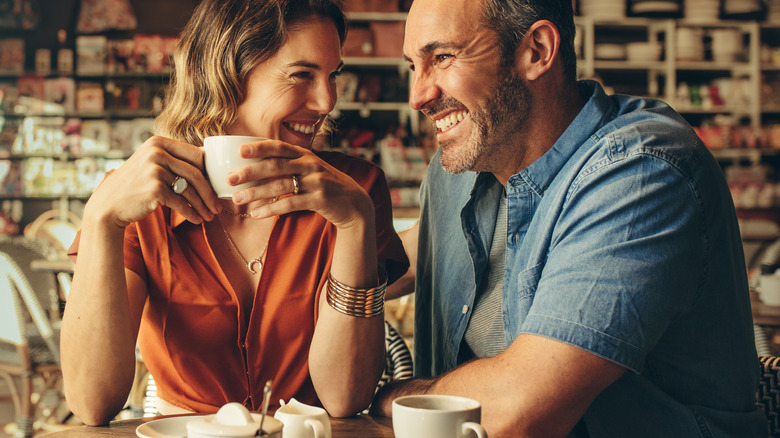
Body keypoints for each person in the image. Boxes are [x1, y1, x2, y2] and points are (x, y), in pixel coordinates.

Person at [371, 0, 767, 436]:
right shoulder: (461, 173)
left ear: (537, 50)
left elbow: (520, 410)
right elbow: (412, 254)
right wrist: (335, 231)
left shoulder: (639, 172)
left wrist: (395, 395)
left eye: (442, 58)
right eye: (413, 66)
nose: (418, 96)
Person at [60, 0, 408, 426]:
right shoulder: (139, 200)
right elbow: (92, 402)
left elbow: (344, 397)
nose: (327, 101)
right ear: (227, 73)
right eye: (302, 74)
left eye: (332, 75)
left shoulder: (355, 192)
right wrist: (101, 219)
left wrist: (355, 223)